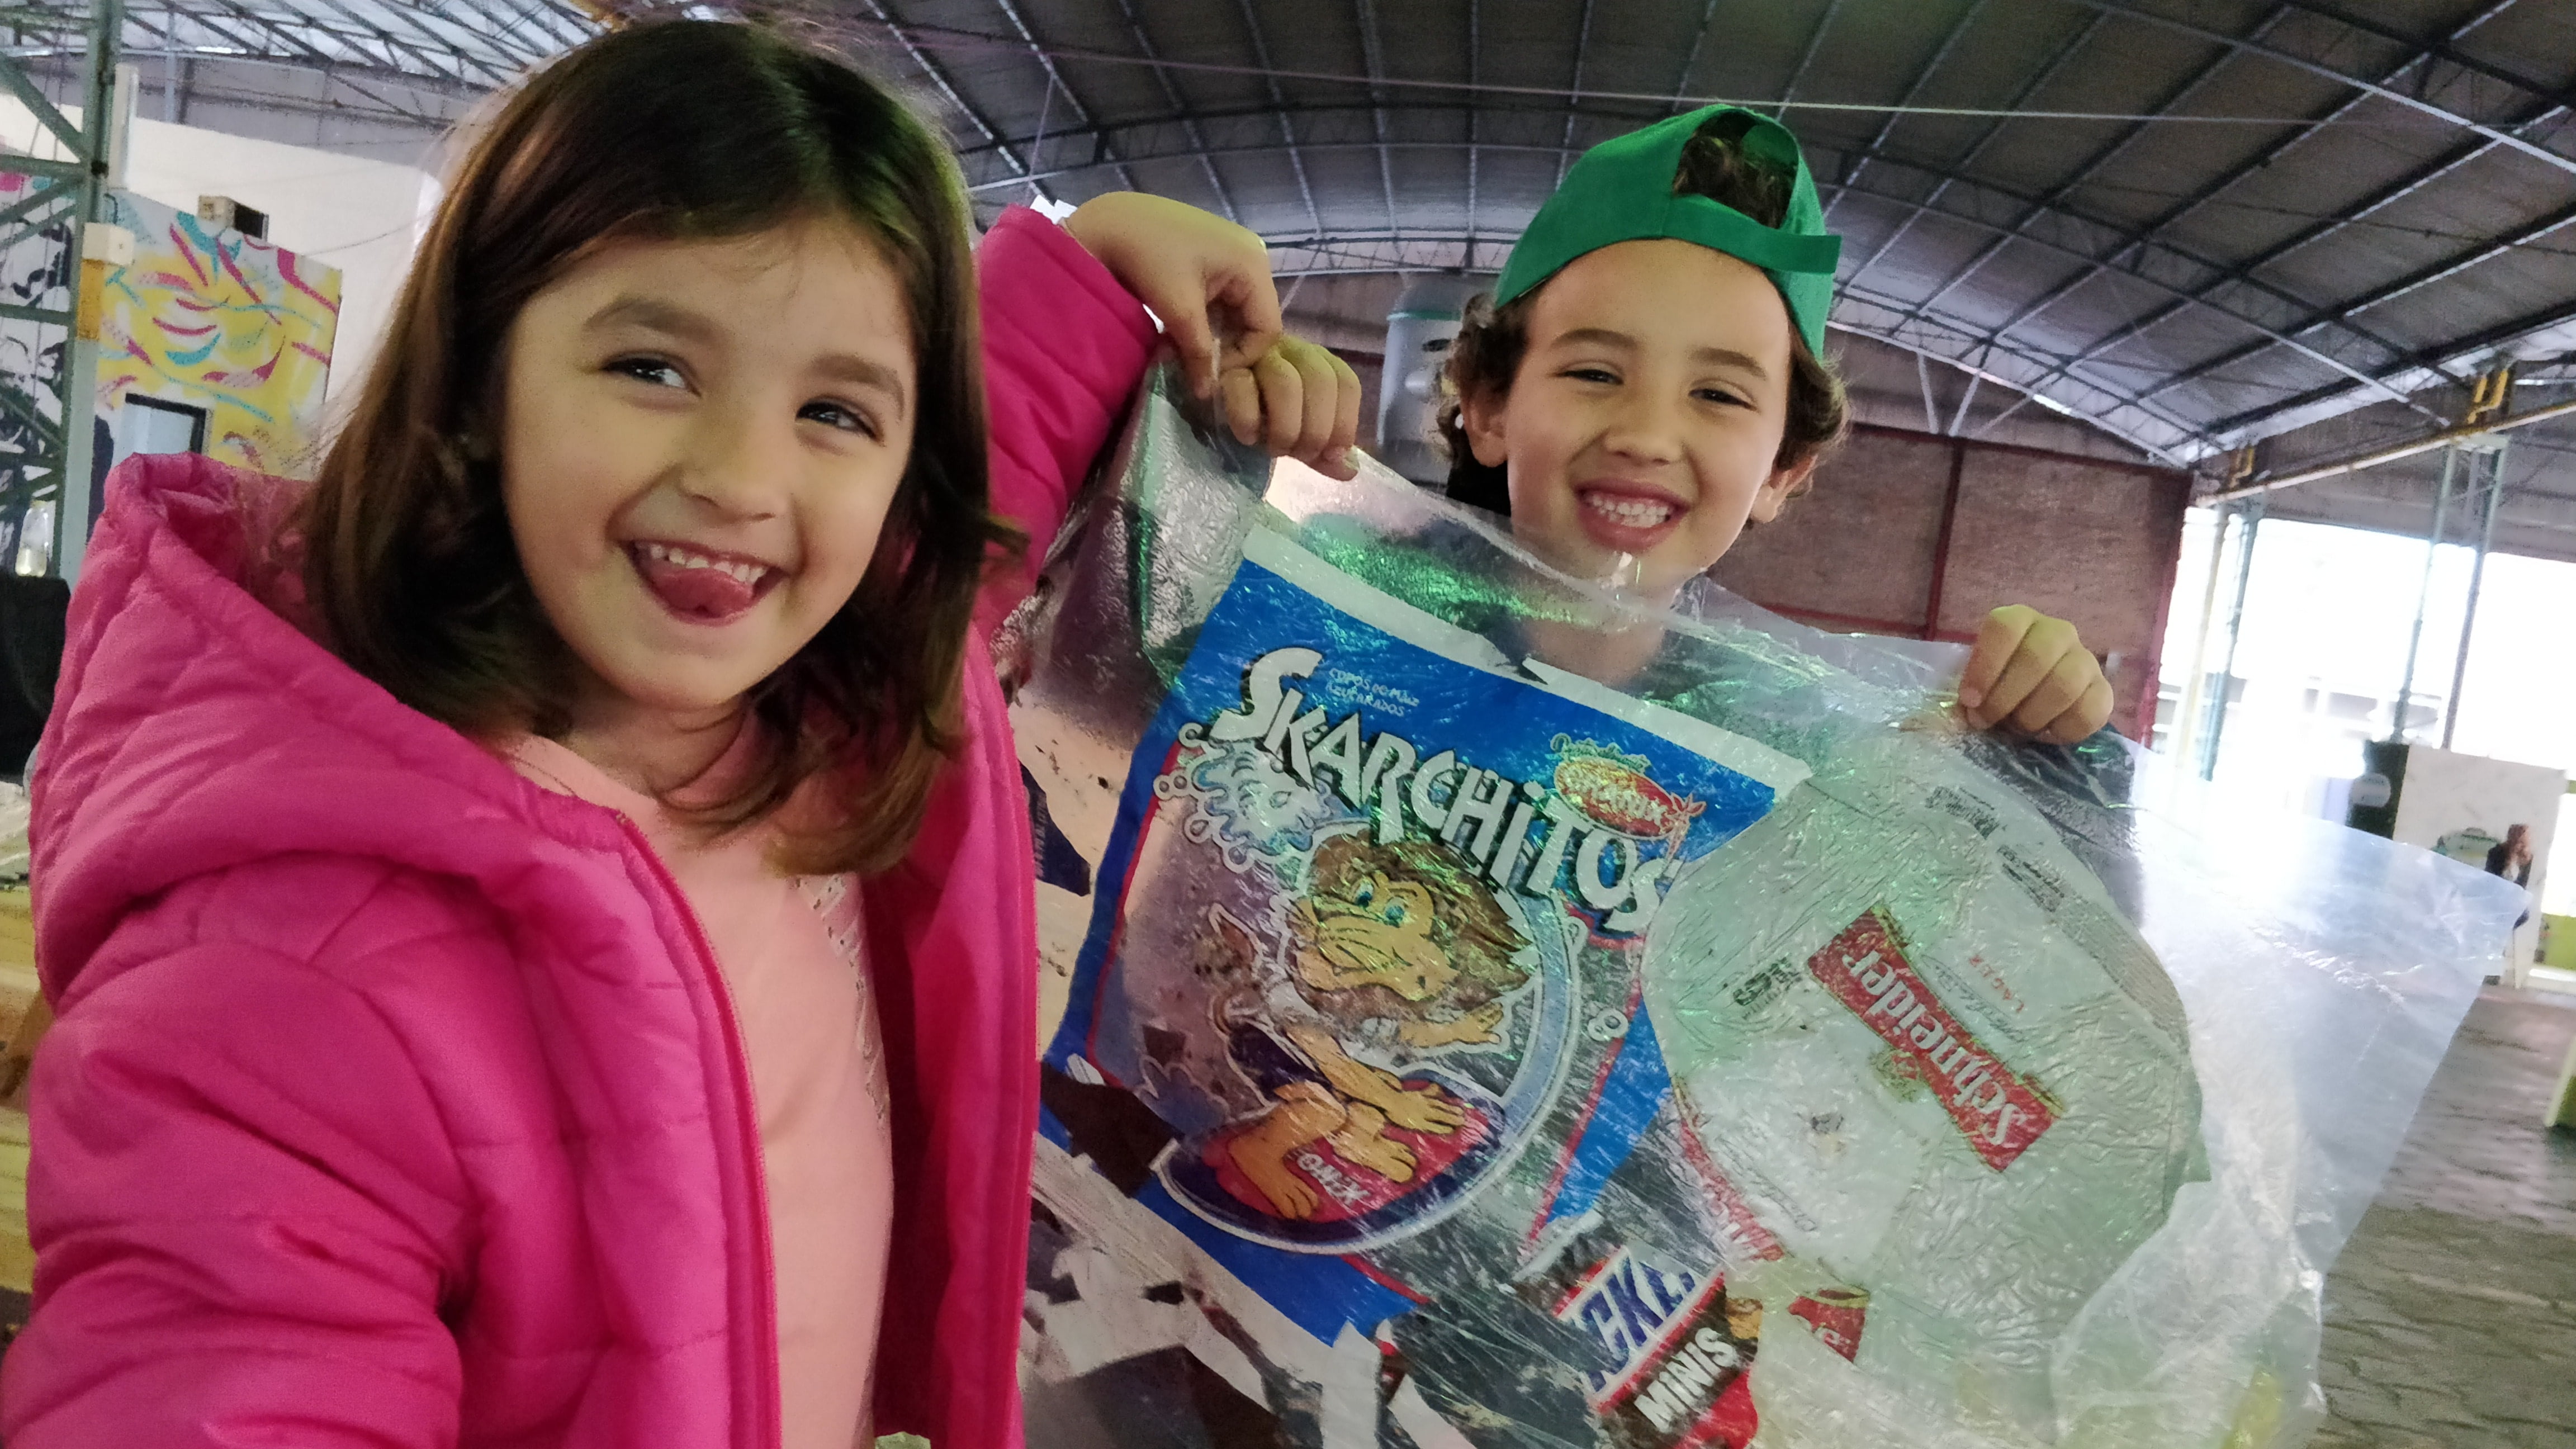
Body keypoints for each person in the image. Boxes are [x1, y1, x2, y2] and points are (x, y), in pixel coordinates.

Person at [0, 20, 1353, 1449]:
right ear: (475, 386)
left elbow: (966, 490)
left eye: (833, 412)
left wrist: (1103, 262)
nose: (743, 479)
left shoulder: (823, 702)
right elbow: (218, 1370)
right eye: (652, 369)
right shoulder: (287, 976)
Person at [1436, 105, 2114, 745]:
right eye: (1595, 374)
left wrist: (2038, 723)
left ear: (1781, 471)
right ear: (1490, 408)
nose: (1646, 438)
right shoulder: (1371, 614)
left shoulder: (1782, 744)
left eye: (1718, 394)